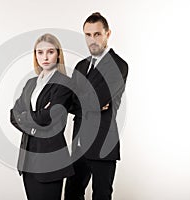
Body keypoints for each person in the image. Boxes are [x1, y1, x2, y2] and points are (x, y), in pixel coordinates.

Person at [64, 12, 128, 200]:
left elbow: (97, 100)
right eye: (88, 34)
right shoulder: (81, 66)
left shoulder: (118, 65)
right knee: (71, 194)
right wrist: (86, 101)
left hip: (103, 145)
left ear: (108, 34)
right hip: (79, 145)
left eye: (97, 34)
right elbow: (72, 102)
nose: (92, 39)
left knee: (101, 195)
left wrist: (83, 100)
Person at [10, 33, 74, 200]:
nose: (44, 57)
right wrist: (33, 119)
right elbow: (13, 114)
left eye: (50, 52)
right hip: (28, 158)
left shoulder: (65, 83)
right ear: (35, 55)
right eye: (40, 52)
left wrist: (26, 117)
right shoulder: (31, 83)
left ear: (58, 54)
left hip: (50, 159)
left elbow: (47, 118)